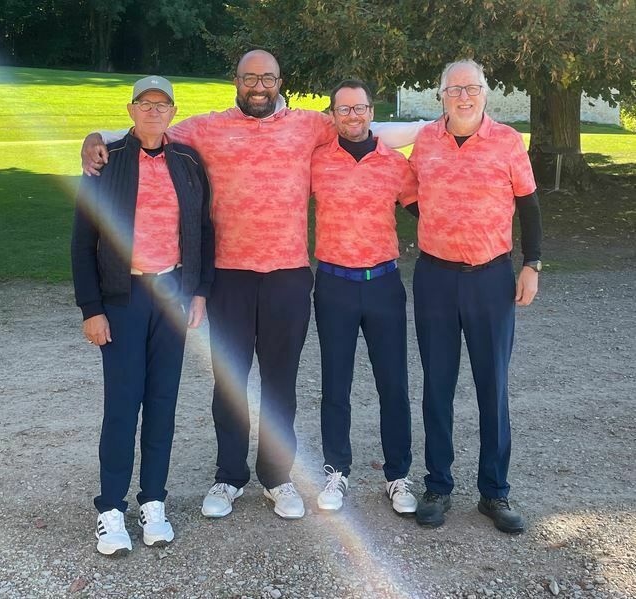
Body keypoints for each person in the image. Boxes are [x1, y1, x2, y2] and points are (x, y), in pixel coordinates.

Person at [81, 50, 425, 521]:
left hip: (287, 275)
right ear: (236, 81)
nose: (259, 86)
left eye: (267, 78)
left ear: (280, 81)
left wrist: (437, 125)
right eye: (250, 78)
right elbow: (151, 129)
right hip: (229, 276)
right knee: (230, 383)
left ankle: (277, 477)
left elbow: (367, 127)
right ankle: (229, 476)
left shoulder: (308, 125)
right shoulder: (207, 128)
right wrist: (97, 137)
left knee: (280, 384)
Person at [71, 76, 214, 555]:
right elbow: (82, 242)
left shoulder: (187, 161)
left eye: (162, 104)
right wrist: (92, 309)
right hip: (122, 297)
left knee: (162, 403)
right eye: (145, 103)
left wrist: (199, 292)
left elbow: (203, 231)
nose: (154, 111)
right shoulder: (106, 160)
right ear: (131, 110)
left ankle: (153, 500)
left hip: (172, 294)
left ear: (173, 111)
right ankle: (111, 508)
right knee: (122, 404)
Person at [408, 59, 542, 534]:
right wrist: (440, 218)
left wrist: (532, 264)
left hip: (491, 279)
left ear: (485, 93)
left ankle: (495, 491)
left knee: (493, 386)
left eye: (472, 88)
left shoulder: (507, 141)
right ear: (441, 96)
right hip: (435, 278)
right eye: (453, 89)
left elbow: (529, 204)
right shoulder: (426, 141)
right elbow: (409, 192)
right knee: (437, 385)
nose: (463, 97)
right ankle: (438, 485)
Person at [310, 80, 418, 515]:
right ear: (332, 115)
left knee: (393, 384)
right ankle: (336, 471)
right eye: (344, 109)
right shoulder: (317, 161)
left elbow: (428, 210)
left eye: (360, 108)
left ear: (372, 111)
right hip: (334, 284)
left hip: (383, 284)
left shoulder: (395, 163)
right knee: (335, 384)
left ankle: (398, 475)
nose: (353, 116)